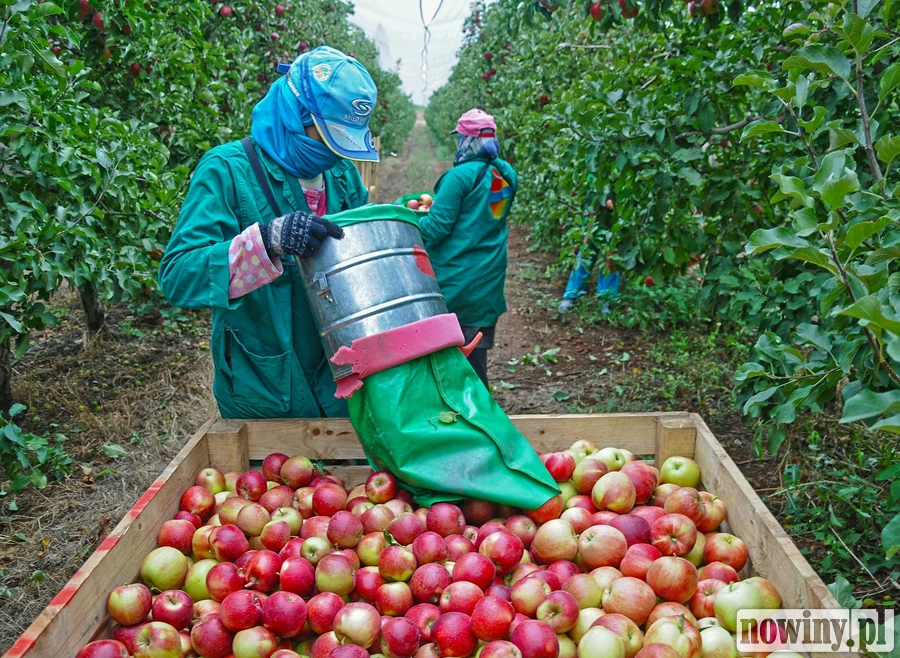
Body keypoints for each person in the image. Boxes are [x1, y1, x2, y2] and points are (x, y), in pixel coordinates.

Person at [159, 46, 377, 419]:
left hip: (339, 381)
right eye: (326, 133)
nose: (332, 150)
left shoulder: (342, 176)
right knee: (271, 478)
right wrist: (266, 241)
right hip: (264, 383)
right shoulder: (227, 170)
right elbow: (178, 276)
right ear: (295, 112)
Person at [418, 109, 518, 390]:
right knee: (475, 359)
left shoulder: (459, 177)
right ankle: (477, 416)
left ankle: (471, 421)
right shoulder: (506, 173)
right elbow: (482, 216)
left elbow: (436, 229)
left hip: (457, 283)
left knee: (452, 364)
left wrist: (411, 220)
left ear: (467, 139)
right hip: (487, 281)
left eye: (460, 137)